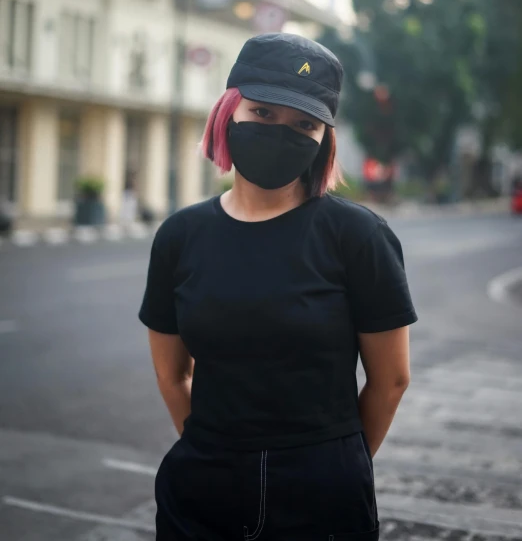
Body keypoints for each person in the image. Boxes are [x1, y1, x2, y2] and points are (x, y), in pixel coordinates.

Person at [138, 32, 418, 541]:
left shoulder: (358, 236)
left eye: (304, 124)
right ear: (228, 112)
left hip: (323, 497)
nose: (279, 132)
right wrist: (213, 448)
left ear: (323, 139)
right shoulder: (180, 237)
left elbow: (391, 380)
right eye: (263, 113)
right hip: (201, 490)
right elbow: (171, 374)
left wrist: (333, 462)